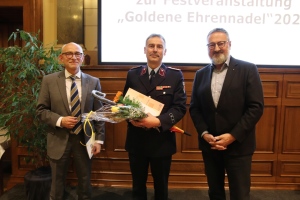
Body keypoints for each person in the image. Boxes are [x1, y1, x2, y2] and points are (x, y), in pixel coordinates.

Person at [189, 28, 264, 200]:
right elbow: (195, 108)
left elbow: (256, 107)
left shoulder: (248, 69)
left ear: (229, 44)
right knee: (215, 193)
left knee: (240, 194)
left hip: (238, 146)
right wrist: (204, 133)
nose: (216, 48)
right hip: (211, 145)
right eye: (211, 45)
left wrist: (232, 136)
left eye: (220, 43)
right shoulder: (200, 75)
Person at [36, 42, 105, 200]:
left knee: (85, 182)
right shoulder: (49, 80)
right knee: (57, 184)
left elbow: (99, 113)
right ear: (61, 58)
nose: (73, 57)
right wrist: (60, 120)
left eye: (77, 54)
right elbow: (40, 110)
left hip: (84, 139)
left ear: (83, 58)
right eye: (69, 54)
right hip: (58, 138)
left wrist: (99, 140)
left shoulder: (93, 82)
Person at [123, 33, 187, 200]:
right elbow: (124, 104)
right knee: (137, 186)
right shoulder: (133, 74)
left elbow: (179, 108)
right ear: (145, 50)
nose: (155, 50)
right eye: (151, 46)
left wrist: (158, 121)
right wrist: (130, 118)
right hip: (137, 139)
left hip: (162, 141)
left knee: (161, 187)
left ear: (165, 51)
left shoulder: (174, 75)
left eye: (159, 47)